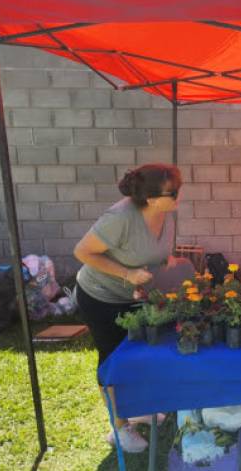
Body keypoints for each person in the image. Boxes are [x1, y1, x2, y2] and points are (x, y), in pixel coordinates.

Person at [73, 163, 182, 453]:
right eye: (174, 192)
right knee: (113, 360)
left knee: (141, 353)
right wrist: (127, 274)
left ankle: (140, 408)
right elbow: (82, 252)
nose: (179, 196)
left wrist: (164, 260)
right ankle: (119, 427)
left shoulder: (164, 212)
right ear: (151, 199)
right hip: (100, 296)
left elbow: (147, 249)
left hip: (133, 295)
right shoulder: (119, 218)